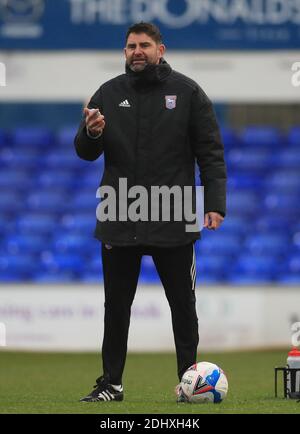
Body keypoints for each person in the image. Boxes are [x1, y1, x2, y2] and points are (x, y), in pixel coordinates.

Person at [74, 22, 226, 403]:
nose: (136, 51)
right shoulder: (107, 93)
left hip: (175, 216)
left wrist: (214, 204)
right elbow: (85, 151)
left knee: (183, 305)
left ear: (161, 49)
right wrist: (91, 132)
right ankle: (111, 383)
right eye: (130, 46)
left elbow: (210, 152)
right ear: (124, 52)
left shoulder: (188, 92)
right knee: (116, 306)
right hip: (120, 215)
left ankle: (187, 383)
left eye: (144, 45)